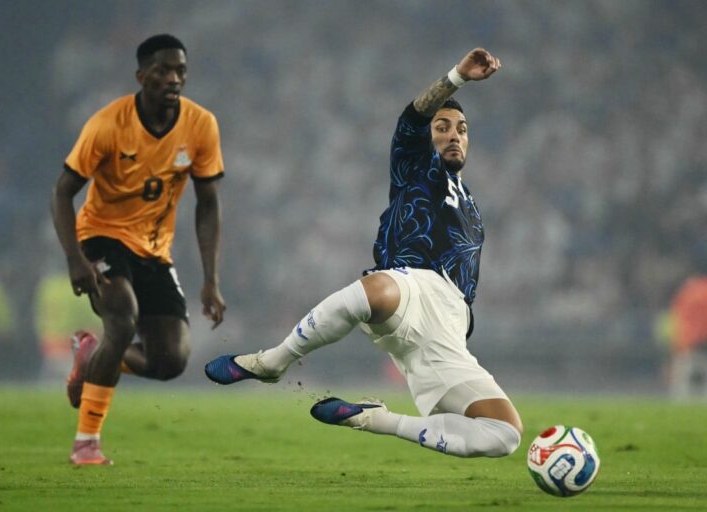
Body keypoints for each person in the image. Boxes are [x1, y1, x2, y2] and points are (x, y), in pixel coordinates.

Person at [205, 48, 523, 459]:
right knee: (372, 292)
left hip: (450, 326)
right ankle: (272, 362)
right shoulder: (417, 167)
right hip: (410, 285)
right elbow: (412, 117)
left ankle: (376, 418)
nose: (453, 135)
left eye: (461, 129)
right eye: (442, 127)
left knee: (505, 435)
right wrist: (457, 77)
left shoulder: (473, 208)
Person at [51, 34, 226, 465]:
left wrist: (210, 279)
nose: (174, 78)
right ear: (141, 75)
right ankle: (86, 443)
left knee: (170, 361)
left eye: (180, 70)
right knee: (123, 318)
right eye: (164, 70)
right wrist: (75, 258)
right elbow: (62, 193)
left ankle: (93, 353)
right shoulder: (108, 125)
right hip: (101, 235)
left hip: (154, 251)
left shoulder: (201, 125)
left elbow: (208, 205)